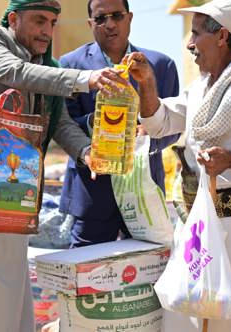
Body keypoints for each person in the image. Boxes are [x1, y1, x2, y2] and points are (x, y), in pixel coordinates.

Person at [0, 1, 126, 331]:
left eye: (53, 23)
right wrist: (85, 78)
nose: (47, 30)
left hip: (13, 200)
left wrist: (87, 153)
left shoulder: (48, 65)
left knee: (6, 295)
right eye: (39, 21)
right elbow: (18, 73)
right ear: (14, 19)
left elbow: (60, 124)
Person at [126, 0, 231, 330]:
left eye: (195, 34)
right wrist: (147, 83)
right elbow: (160, 122)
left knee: (228, 318)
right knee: (186, 314)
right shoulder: (201, 88)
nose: (189, 44)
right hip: (194, 222)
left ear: (221, 37)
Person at [59, 0, 180, 247]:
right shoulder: (70, 65)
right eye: (101, 18)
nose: (110, 24)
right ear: (90, 23)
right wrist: (99, 123)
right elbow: (63, 125)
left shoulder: (161, 66)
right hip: (91, 191)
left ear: (130, 18)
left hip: (143, 192)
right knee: (87, 274)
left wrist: (149, 134)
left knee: (146, 273)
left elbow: (174, 127)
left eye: (117, 15)